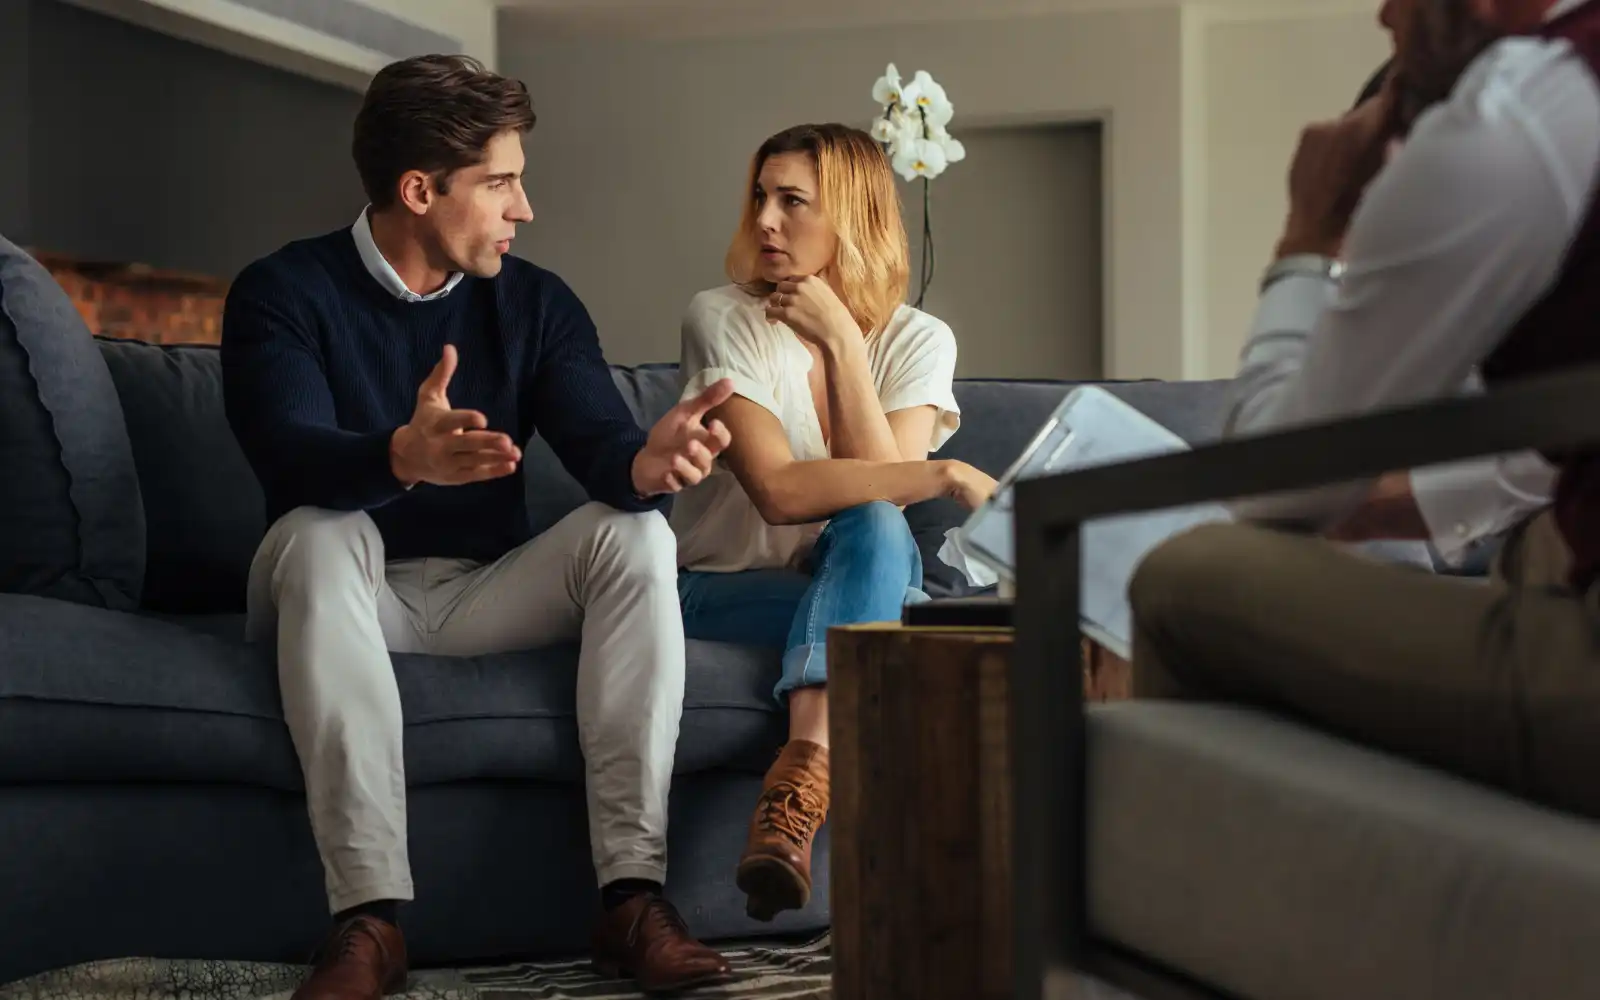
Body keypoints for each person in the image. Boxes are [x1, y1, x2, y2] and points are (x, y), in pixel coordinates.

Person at [221, 55, 737, 1000]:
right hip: (340, 591)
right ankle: (369, 923)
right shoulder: (282, 292)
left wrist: (646, 468)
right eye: (501, 182)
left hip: (481, 591)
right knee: (323, 531)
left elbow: (603, 448)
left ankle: (631, 899)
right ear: (420, 190)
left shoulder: (535, 302)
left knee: (637, 537)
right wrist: (397, 459)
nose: (524, 208)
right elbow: (287, 454)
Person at [1127, 0, 1600, 819]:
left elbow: (1277, 486)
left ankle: (1215, 933)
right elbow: (1540, 448)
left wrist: (1307, 237)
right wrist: (1395, 507)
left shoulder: (1508, 116)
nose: (1385, 14)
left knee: (1183, 576)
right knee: (1535, 552)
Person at [668, 123, 998, 920]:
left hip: (842, 582)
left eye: (792, 201)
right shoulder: (721, 317)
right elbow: (778, 491)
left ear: (849, 215)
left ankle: (798, 789)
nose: (766, 221)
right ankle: (851, 818)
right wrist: (947, 473)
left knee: (879, 539)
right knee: (897, 626)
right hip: (715, 586)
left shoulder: (918, 340)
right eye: (760, 198)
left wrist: (847, 347)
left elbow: (876, 504)